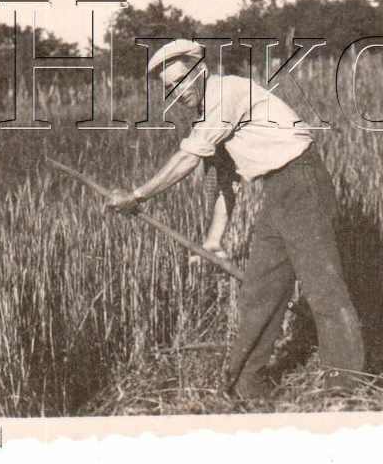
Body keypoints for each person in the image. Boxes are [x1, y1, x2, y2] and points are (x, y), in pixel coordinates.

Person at [106, 39, 365, 399]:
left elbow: (188, 158)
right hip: (278, 193)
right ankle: (247, 387)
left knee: (323, 288)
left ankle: (346, 389)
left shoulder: (226, 93)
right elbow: (225, 182)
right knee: (259, 290)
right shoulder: (207, 114)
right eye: (170, 87)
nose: (178, 92)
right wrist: (214, 239)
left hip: (303, 183)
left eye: (182, 80)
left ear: (200, 71)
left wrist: (137, 195)